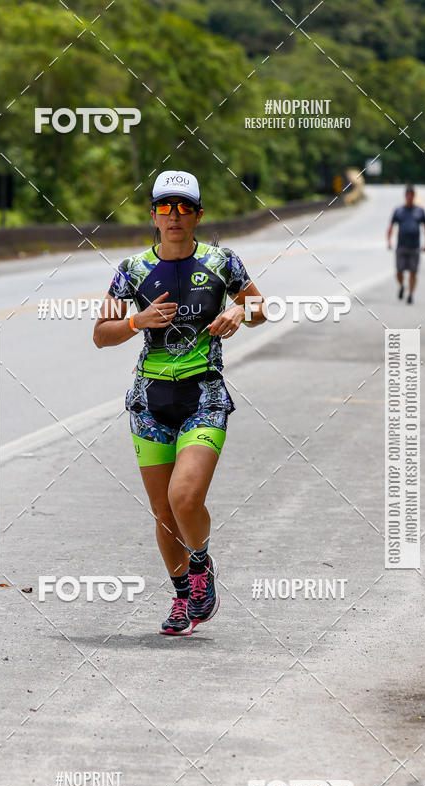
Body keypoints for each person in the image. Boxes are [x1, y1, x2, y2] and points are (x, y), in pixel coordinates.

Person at [93, 170, 267, 636]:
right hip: (149, 402)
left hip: (204, 395)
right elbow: (100, 335)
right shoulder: (132, 271)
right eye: (165, 207)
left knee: (185, 497)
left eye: (183, 207)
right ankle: (182, 597)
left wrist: (236, 310)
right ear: (152, 214)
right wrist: (137, 322)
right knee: (164, 513)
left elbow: (260, 309)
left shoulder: (222, 262)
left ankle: (201, 565)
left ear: (198, 214)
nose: (174, 216)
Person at [387, 185, 425, 304]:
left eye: (411, 195)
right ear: (405, 196)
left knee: (413, 272)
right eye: (408, 195)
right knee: (399, 271)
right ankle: (401, 286)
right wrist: (389, 241)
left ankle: (410, 294)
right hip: (401, 245)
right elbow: (391, 226)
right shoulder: (399, 210)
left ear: (414, 196)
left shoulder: (420, 211)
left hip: (415, 246)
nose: (410, 197)